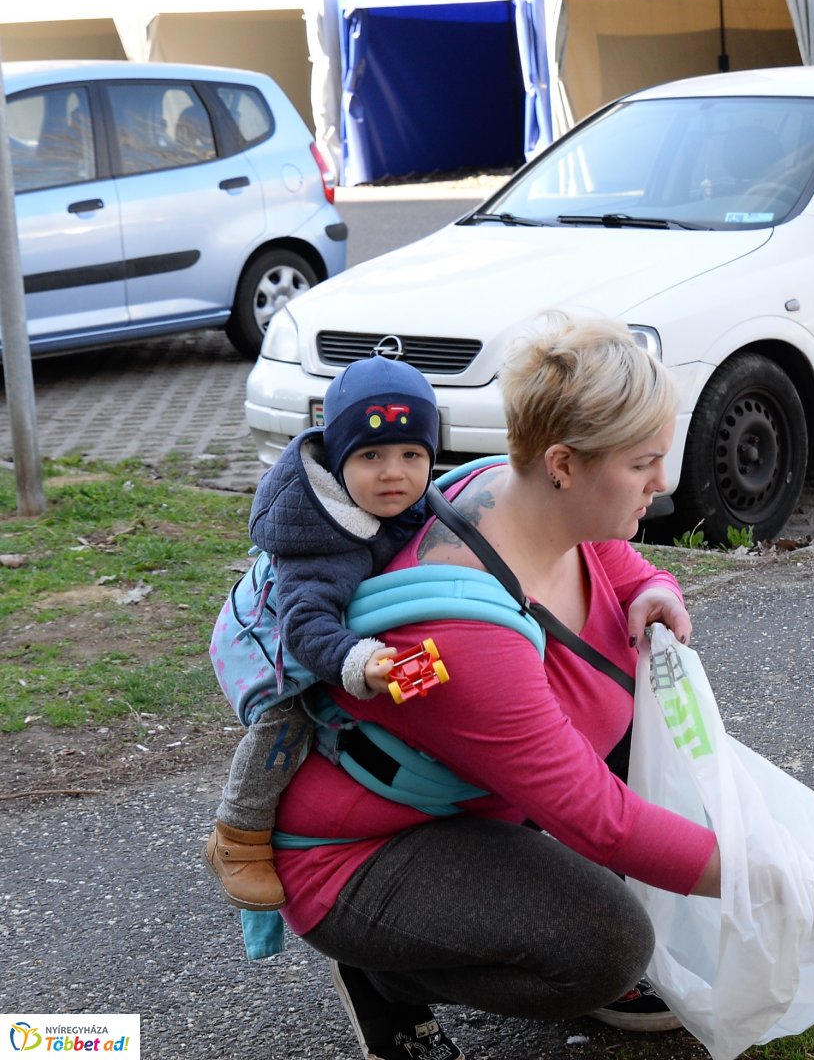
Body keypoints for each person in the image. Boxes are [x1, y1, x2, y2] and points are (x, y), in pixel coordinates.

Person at [272, 311, 722, 1060]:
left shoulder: (509, 493)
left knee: (657, 762)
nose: (664, 481)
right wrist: (768, 880)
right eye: (644, 462)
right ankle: (385, 977)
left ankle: (505, 918)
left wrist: (655, 587)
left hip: (477, 807)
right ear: (563, 464)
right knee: (606, 945)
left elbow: (614, 562)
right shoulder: (464, 639)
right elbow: (600, 820)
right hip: (358, 852)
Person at [204, 356, 442, 912]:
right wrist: (360, 662)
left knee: (410, 690)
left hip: (340, 625)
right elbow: (306, 627)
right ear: (339, 461)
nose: (393, 473)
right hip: (273, 643)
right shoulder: (319, 537)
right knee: (290, 721)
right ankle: (238, 834)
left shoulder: (413, 504)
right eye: (371, 456)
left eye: (411, 455)